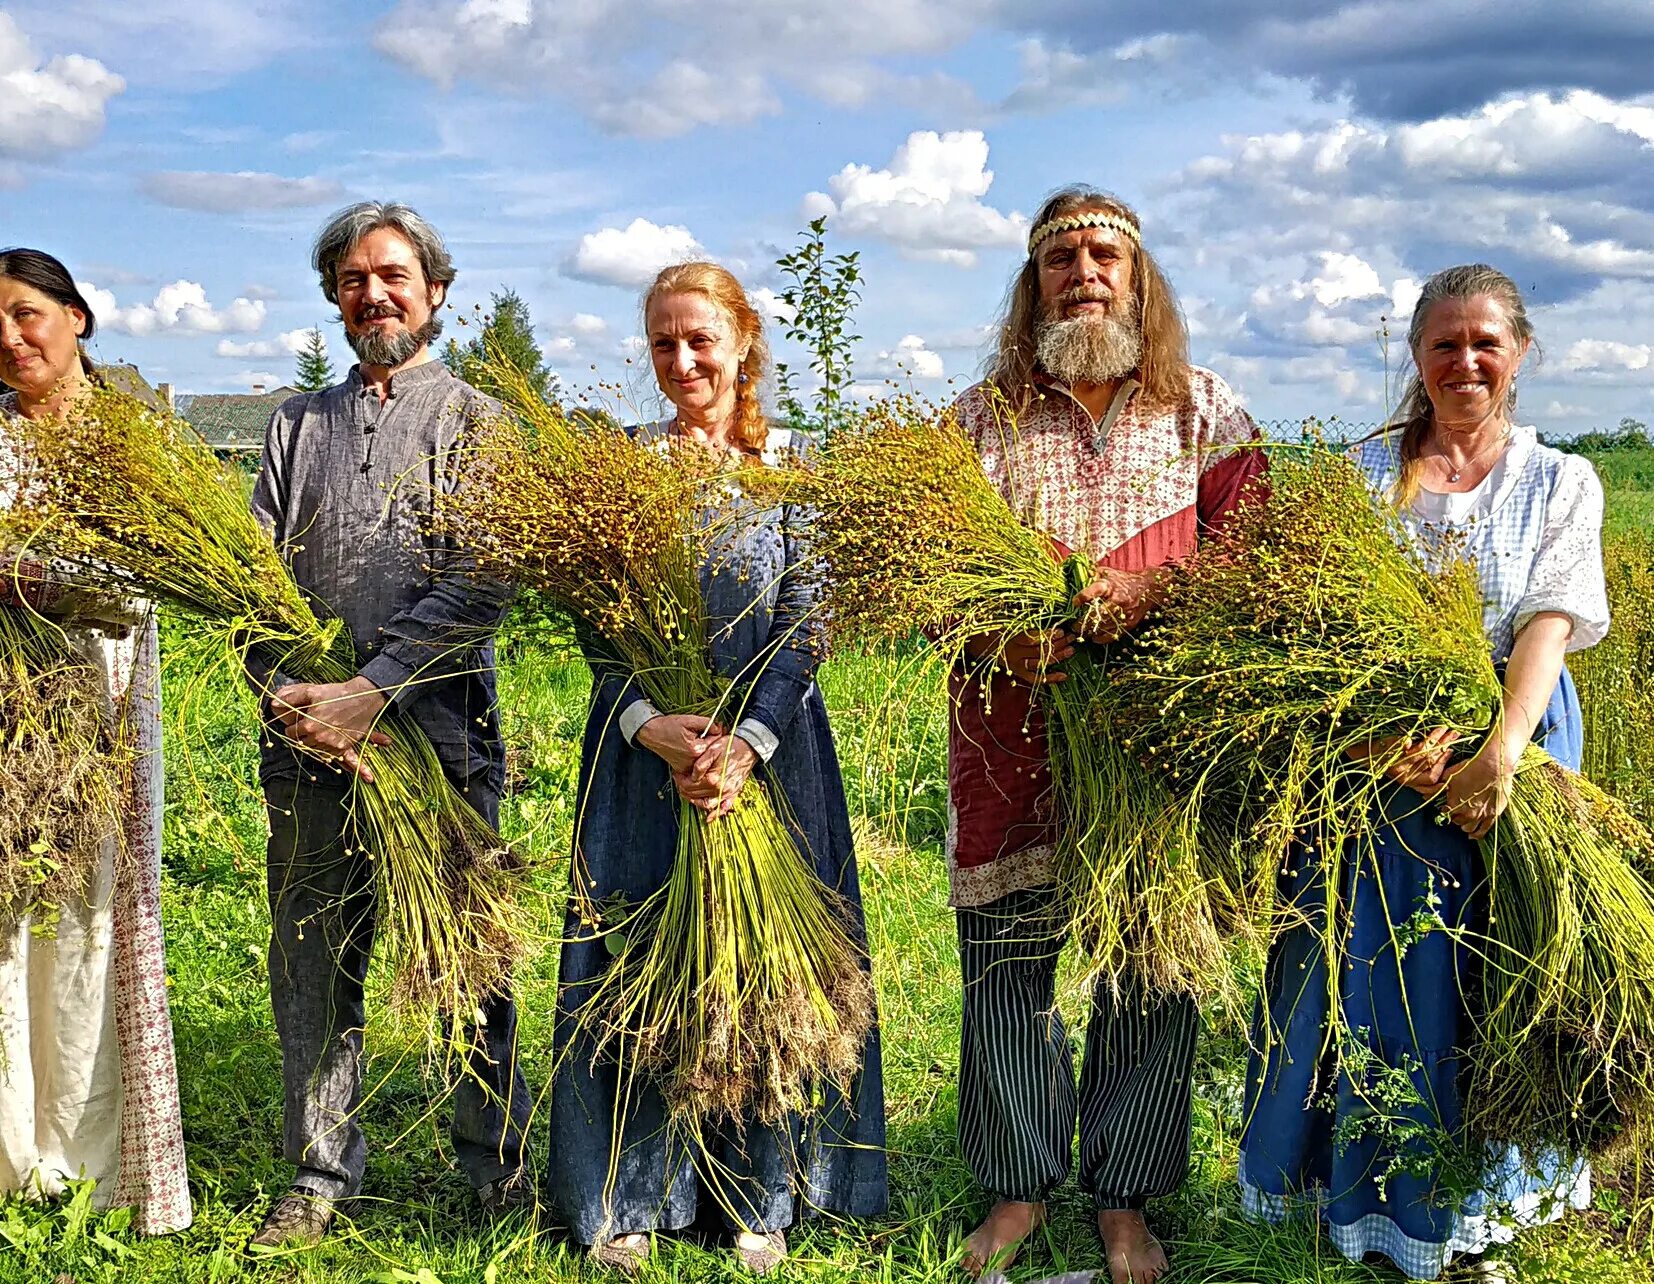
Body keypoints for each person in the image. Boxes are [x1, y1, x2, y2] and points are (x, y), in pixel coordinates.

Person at [1239, 264, 1609, 1279]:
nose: (1464, 361)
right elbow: (1319, 633)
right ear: (1415, 356)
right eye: (1443, 343)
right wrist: (1371, 742)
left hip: (1515, 741)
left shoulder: (1560, 479)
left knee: (1494, 977)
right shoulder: (1361, 477)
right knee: (1369, 972)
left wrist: (1499, 753)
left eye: (1484, 341)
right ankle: (1361, 1207)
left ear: (1519, 352)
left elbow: (1547, 622)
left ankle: (1474, 1221)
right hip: (1370, 755)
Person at [948, 187, 1267, 1284]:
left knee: (1151, 958)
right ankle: (1019, 1186)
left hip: (1151, 729)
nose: (1084, 274)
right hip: (1009, 723)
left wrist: (1151, 596)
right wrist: (1000, 632)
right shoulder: (981, 415)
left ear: (1138, 280)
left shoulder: (1203, 408)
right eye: (1060, 261)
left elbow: (1252, 559)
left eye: (1103, 258)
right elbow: (932, 577)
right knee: (1007, 958)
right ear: (1033, 284)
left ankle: (1125, 1196)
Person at [546, 261, 888, 1275]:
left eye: (700, 338)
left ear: (743, 342)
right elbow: (597, 629)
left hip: (772, 764)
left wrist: (748, 743)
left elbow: (808, 617)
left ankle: (759, 1195)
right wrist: (649, 722)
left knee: (761, 962)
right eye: (662, 343)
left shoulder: (793, 466)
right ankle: (633, 1196)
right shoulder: (622, 469)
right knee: (640, 960)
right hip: (645, 763)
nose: (682, 360)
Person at [0, 248, 191, 1248]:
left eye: (25, 315)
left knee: (78, 909)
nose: (8, 339)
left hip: (86, 711)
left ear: (79, 317)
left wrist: (21, 574)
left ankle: (74, 1148)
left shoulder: (136, 442)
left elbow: (149, 582)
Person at [247, 201, 533, 1248]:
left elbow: (482, 583)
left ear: (435, 293)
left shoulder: (478, 422)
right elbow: (249, 580)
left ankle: (493, 1165)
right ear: (334, 297)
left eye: (395, 276)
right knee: (315, 955)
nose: (375, 293)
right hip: (306, 743)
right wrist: (295, 695)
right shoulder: (293, 425)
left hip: (444, 737)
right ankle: (320, 1173)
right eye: (354, 278)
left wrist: (374, 691)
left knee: (465, 949)